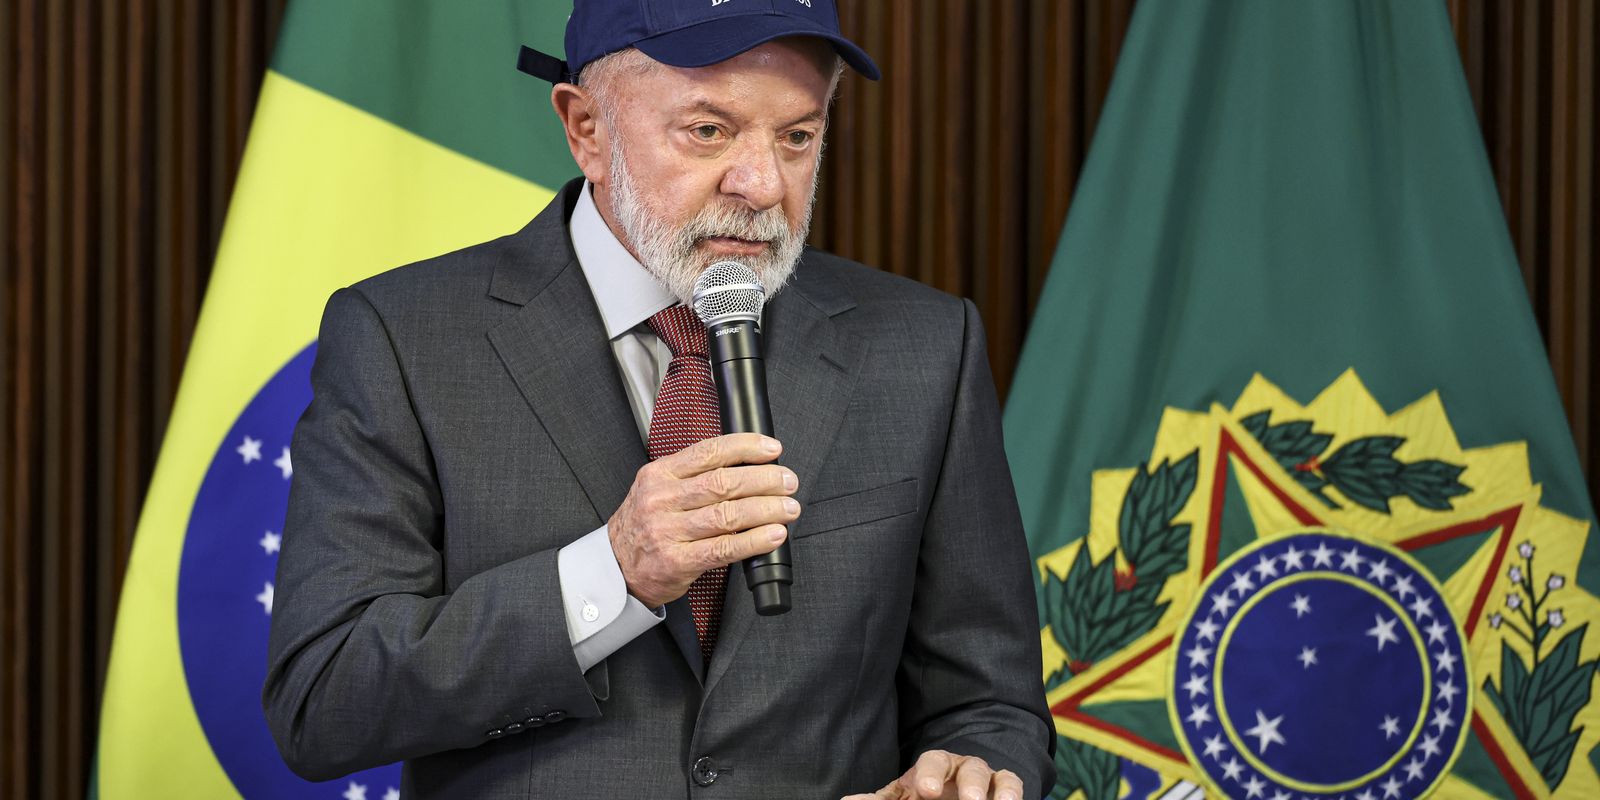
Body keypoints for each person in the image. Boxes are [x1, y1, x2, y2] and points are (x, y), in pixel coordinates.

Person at [262, 1, 1054, 797]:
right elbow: (323, 701)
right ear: (587, 130)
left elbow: (989, 704)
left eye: (797, 137)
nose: (762, 185)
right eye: (709, 131)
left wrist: (968, 775)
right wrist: (613, 572)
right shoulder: (404, 338)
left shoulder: (925, 346)